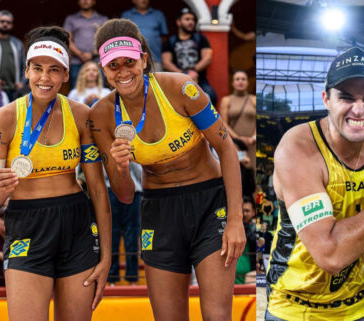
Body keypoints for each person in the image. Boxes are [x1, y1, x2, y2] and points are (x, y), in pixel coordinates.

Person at [90, 19, 245, 320]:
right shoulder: (102, 116)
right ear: (103, 69)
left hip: (208, 203)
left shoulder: (179, 88)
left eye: (130, 62)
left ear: (144, 59)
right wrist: (121, 167)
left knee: (217, 316)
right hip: (159, 211)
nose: (123, 72)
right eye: (113, 66)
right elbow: (123, 195)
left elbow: (226, 148)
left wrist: (236, 220)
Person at [265, 47, 364, 321]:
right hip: (295, 308)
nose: (359, 109)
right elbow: (329, 255)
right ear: (326, 99)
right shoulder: (298, 148)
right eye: (346, 97)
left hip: (363, 305)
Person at [0, 26, 111, 320]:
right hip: (27, 224)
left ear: (66, 75)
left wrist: (106, 257)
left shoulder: (80, 115)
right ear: (26, 71)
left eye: (54, 70)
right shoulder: (2, 119)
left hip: (76, 222)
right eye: (37, 68)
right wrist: (0, 189)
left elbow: (98, 190)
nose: (44, 78)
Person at [162, 8, 217, 105]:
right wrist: (183, 74)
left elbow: (207, 58)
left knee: (211, 97)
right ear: (178, 22)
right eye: (187, 19)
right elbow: (166, 62)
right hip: (177, 80)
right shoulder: (170, 41)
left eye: (192, 20)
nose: (191, 22)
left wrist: (193, 70)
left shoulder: (201, 38)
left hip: (199, 79)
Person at [63, 0, 108, 88]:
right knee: (76, 91)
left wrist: (92, 54)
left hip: (97, 61)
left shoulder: (102, 19)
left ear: (94, 1)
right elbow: (67, 39)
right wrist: (80, 54)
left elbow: (105, 40)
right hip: (77, 62)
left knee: (99, 91)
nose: (85, 1)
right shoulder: (71, 19)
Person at [220, 70, 257, 169]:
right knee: (237, 174)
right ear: (232, 83)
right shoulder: (226, 100)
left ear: (248, 82)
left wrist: (253, 138)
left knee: (253, 174)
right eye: (237, 79)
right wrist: (239, 139)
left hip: (253, 144)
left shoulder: (254, 99)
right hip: (235, 144)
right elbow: (223, 123)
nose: (240, 81)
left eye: (243, 79)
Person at [121, 0, 168, 72]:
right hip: (133, 59)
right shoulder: (126, 15)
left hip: (154, 59)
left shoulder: (158, 14)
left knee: (156, 82)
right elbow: (122, 37)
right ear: (134, 1)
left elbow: (164, 37)